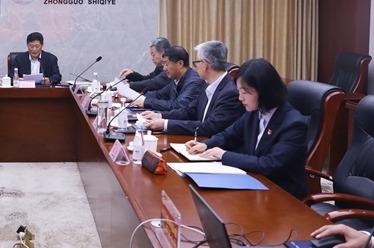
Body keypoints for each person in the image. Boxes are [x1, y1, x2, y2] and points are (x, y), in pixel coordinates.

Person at [185, 58, 308, 200]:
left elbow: (270, 164)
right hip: (255, 187)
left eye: (245, 92)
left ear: (265, 91)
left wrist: (224, 155)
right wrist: (205, 145)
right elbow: (228, 136)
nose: (240, 98)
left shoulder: (293, 124)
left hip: (283, 197)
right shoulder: (254, 112)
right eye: (239, 91)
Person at [139, 41, 245, 136]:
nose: (195, 67)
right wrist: (159, 115)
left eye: (196, 62)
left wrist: (166, 124)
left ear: (205, 65)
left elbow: (210, 127)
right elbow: (189, 111)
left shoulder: (230, 92)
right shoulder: (208, 85)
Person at [130, 46, 206, 111]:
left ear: (180, 64)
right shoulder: (176, 80)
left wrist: (146, 102)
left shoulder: (195, 81)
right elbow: (159, 95)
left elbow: (178, 105)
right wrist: (134, 97)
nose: (164, 69)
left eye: (166, 64)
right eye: (164, 65)